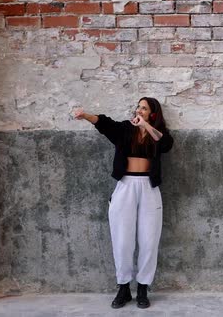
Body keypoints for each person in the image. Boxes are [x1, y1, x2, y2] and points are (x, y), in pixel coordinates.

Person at [74, 97, 173, 309]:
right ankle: (124, 288)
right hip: (126, 185)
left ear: (152, 113)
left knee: (149, 240)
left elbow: (165, 145)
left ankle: (143, 289)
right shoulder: (126, 129)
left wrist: (145, 125)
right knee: (122, 239)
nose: (139, 110)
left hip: (149, 188)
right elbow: (104, 124)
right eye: (138, 107)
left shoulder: (158, 133)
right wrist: (85, 116)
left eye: (144, 108)